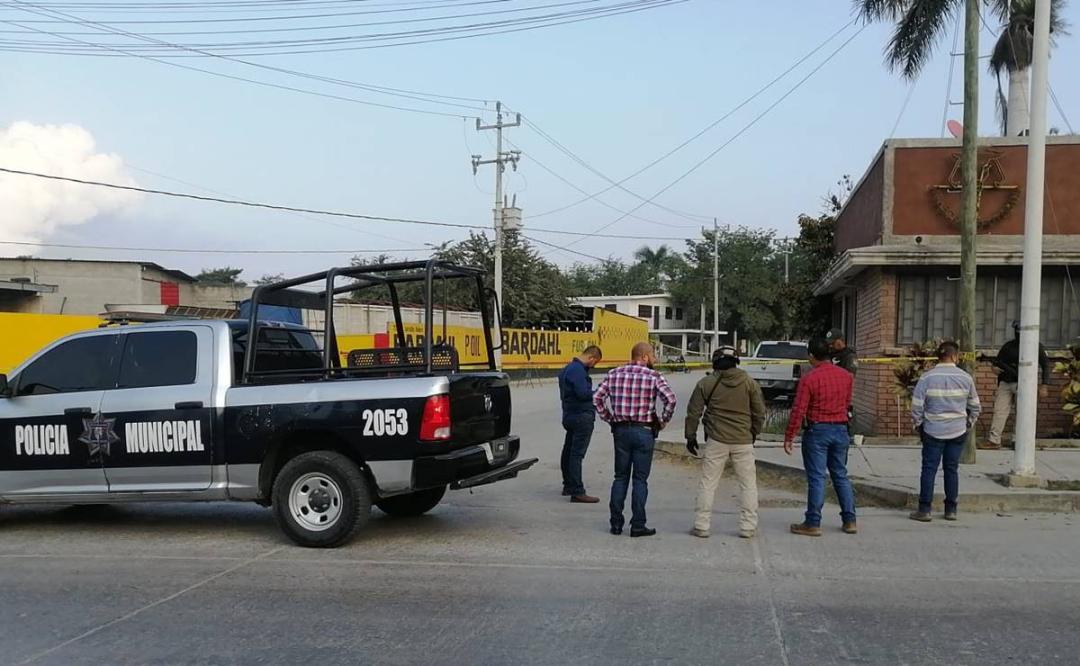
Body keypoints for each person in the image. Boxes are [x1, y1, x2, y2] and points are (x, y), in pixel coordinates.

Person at [593, 341, 677, 538]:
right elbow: (670, 399)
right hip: (644, 431)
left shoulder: (614, 373)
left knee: (620, 477)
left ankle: (615, 523)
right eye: (653, 355)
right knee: (640, 479)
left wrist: (609, 418)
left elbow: (596, 398)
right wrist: (663, 420)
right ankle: (638, 524)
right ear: (645, 357)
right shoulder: (653, 376)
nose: (655, 359)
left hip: (621, 431)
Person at [685, 346, 765, 539]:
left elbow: (693, 412)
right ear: (736, 361)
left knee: (708, 483)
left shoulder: (706, 383)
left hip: (716, 440)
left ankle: (701, 525)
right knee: (747, 484)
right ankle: (748, 527)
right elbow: (759, 413)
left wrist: (691, 436)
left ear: (715, 362)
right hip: (743, 440)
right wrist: (753, 433)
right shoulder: (749, 383)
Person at [785, 336, 857, 537]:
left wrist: (790, 436)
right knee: (840, 475)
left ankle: (813, 522)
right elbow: (848, 402)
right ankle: (850, 520)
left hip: (817, 431)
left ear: (811, 356)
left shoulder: (809, 378)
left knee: (817, 478)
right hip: (841, 429)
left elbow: (799, 409)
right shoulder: (846, 376)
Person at [909, 341, 982, 522]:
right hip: (957, 431)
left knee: (929, 469)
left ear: (939, 357)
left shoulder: (927, 378)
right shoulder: (966, 378)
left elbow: (917, 406)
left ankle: (924, 510)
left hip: (932, 430)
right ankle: (951, 509)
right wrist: (968, 423)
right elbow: (975, 406)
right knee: (951, 469)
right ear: (955, 356)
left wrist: (919, 425)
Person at [985, 320, 1052, 449]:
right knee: (999, 411)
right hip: (1005, 383)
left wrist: (1044, 385)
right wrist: (994, 369)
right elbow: (997, 362)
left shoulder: (1035, 346)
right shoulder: (1008, 346)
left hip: (1025, 383)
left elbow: (1045, 365)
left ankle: (1018, 440)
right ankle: (994, 440)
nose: (1019, 334)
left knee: (1023, 413)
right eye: (1018, 331)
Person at [557, 345, 603, 503]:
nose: (593, 366)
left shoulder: (567, 369)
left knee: (568, 451)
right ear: (591, 358)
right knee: (576, 454)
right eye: (594, 363)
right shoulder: (578, 371)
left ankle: (568, 484)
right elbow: (583, 394)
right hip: (581, 416)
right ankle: (577, 490)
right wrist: (599, 392)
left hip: (569, 415)